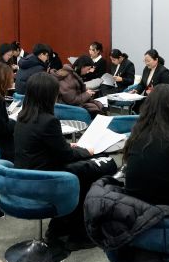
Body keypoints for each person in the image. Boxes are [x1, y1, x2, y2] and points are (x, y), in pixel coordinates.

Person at [13, 72, 117, 249]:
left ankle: (60, 226)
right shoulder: (48, 121)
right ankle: (78, 233)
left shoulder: (23, 116)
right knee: (101, 166)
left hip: (28, 173)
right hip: (46, 177)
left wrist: (69, 146)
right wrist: (86, 151)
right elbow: (66, 155)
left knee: (86, 169)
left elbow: (47, 146)